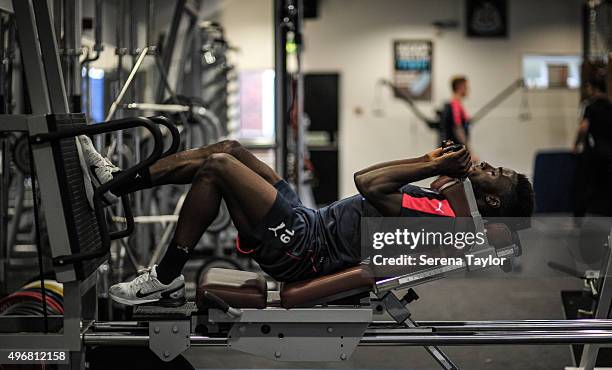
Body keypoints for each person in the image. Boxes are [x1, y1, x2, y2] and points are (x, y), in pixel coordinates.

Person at [106, 140, 535, 306]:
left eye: (496, 173)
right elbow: (385, 182)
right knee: (231, 149)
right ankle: (116, 185)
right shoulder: (446, 207)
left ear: (492, 199)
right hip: (311, 224)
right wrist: (430, 161)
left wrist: (431, 165)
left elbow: (366, 180)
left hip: (305, 248)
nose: (489, 165)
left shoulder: (443, 223)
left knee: (219, 166)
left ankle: (165, 276)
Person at [573, 74, 612, 216]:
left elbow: (583, 128)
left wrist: (575, 144)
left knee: (588, 183)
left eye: (589, 87)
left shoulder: (590, 107)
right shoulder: (610, 106)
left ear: (594, 88)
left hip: (595, 152)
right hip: (609, 152)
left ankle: (586, 211)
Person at [441, 76, 478, 162]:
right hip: (455, 151)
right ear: (460, 87)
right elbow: (458, 128)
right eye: (466, 86)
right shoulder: (455, 104)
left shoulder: (456, 103)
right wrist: (469, 152)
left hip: (454, 151)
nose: (468, 89)